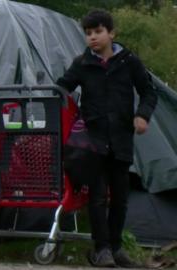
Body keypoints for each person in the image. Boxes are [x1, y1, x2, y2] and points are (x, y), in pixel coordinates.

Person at [56, 10, 157, 268]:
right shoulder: (82, 64)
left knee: (120, 198)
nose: (93, 38)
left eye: (98, 32)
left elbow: (148, 92)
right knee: (98, 196)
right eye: (88, 34)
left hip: (121, 140)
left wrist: (142, 116)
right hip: (93, 140)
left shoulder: (129, 61)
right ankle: (101, 250)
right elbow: (62, 86)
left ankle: (116, 247)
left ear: (111, 33)